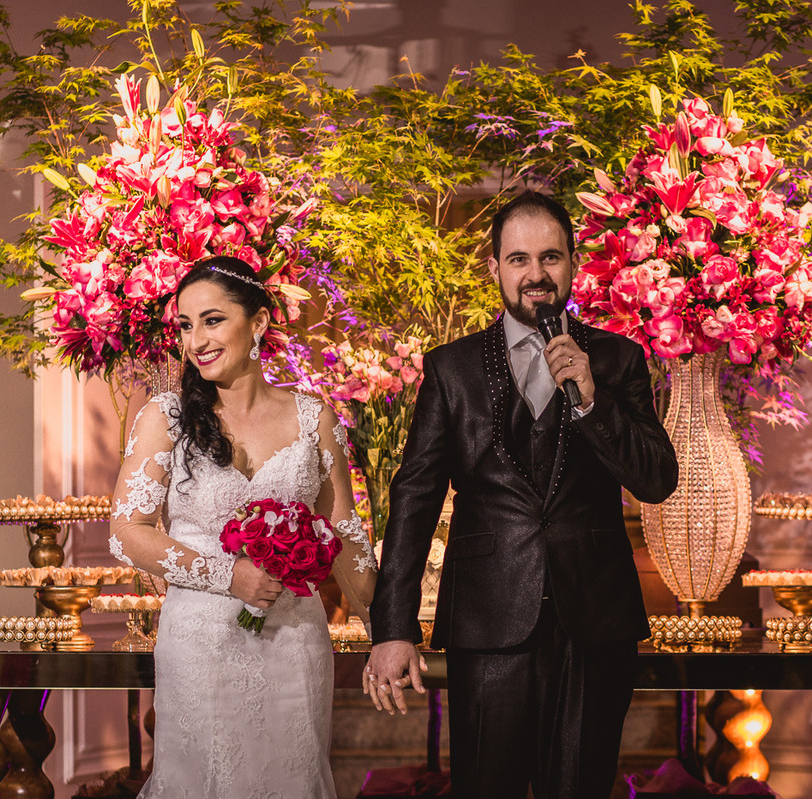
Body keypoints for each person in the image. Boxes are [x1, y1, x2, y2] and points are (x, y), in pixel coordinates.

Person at [363, 191, 678, 798]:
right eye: (518, 259)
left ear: (574, 263)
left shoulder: (617, 359)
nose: (536, 274)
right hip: (488, 619)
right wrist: (393, 626)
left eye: (551, 257)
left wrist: (589, 397)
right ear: (496, 267)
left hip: (596, 618)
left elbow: (656, 478)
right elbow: (415, 498)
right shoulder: (450, 369)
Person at [109, 256, 377, 798]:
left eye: (212, 320)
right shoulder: (167, 416)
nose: (196, 340)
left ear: (258, 323)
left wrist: (387, 628)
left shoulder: (313, 417)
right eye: (185, 325)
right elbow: (126, 531)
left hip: (295, 642)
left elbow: (345, 535)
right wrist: (228, 574)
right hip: (200, 643)